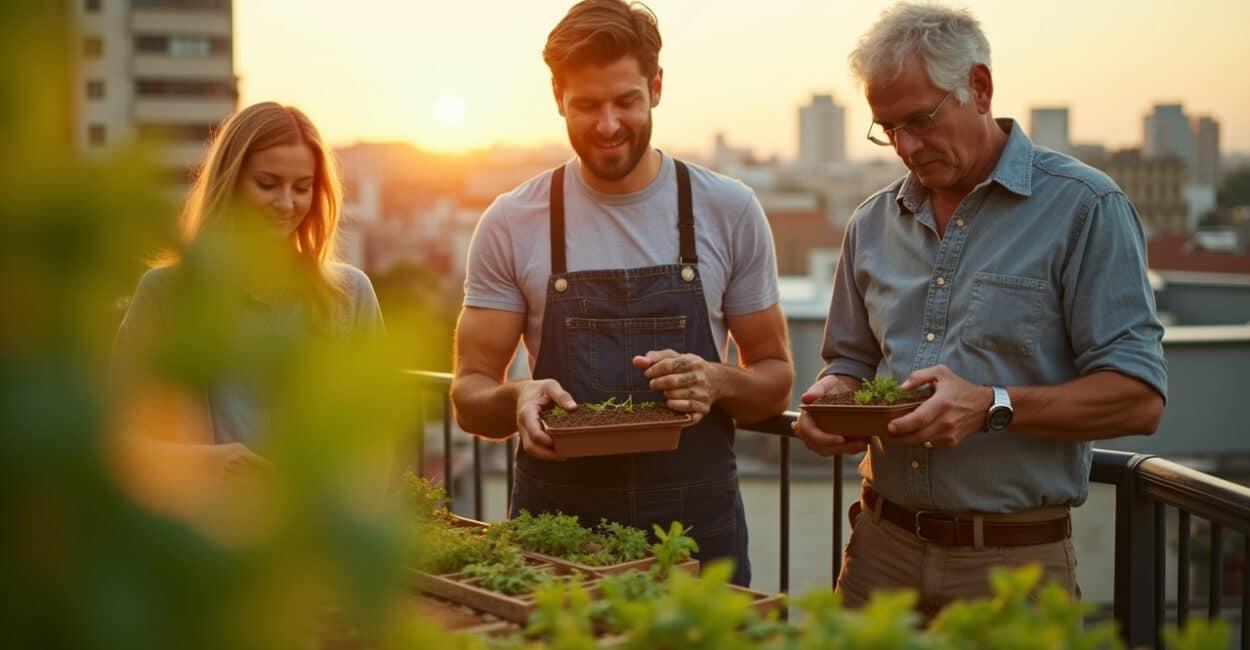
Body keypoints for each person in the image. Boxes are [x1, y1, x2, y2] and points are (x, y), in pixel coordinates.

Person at [793, 2, 1167, 618]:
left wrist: (992, 405)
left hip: (1012, 568)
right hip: (876, 553)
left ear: (980, 87)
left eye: (920, 119)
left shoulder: (1086, 208)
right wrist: (832, 397)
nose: (905, 146)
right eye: (888, 128)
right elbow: (850, 362)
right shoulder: (870, 223)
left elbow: (1139, 397)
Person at [450, 0, 793, 587]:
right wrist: (518, 397)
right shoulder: (512, 221)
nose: (608, 125)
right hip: (557, 531)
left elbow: (776, 377)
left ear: (656, 87)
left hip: (695, 534)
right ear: (557, 96)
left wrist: (718, 380)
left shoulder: (728, 209)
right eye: (586, 105)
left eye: (626, 101)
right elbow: (469, 394)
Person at [113, 102, 384, 477]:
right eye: (267, 184)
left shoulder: (351, 294)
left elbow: (374, 440)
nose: (286, 203)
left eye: (302, 188)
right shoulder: (166, 292)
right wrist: (207, 461)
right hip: (201, 528)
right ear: (231, 182)